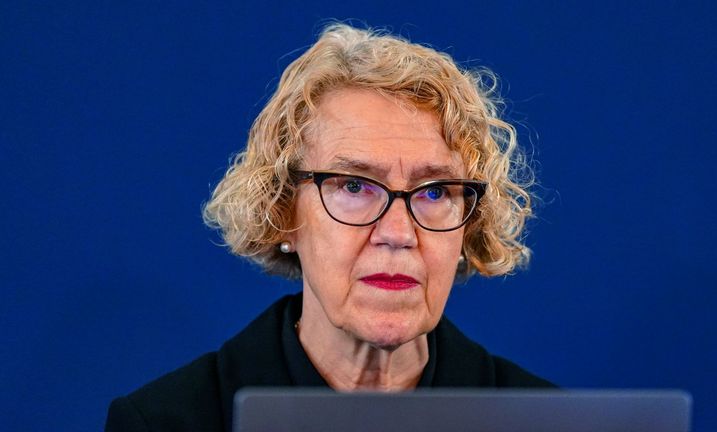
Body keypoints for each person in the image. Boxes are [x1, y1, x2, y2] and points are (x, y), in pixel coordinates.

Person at [105, 23, 554, 432]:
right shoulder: (165, 424)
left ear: (468, 226)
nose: (398, 232)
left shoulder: (548, 422)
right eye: (355, 186)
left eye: (435, 192)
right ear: (282, 212)